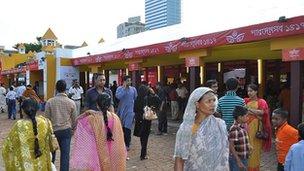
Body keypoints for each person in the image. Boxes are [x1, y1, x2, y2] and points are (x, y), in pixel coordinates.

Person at [174, 87, 229, 171]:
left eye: (214, 100)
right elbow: (179, 158)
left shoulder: (220, 124)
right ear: (197, 104)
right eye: (208, 101)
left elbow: (224, 155)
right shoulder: (188, 128)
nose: (213, 104)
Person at [70, 93, 126, 170]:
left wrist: (86, 113)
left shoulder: (91, 119)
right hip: (112, 153)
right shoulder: (115, 118)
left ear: (97, 105)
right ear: (109, 105)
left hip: (97, 154)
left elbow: (76, 122)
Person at [2, 98, 54, 170]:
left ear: (23, 110)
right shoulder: (45, 122)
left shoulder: (19, 125)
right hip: (42, 164)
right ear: (37, 109)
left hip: (25, 165)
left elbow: (8, 147)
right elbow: (50, 145)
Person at [45, 80, 77, 171]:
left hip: (52, 132)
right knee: (65, 156)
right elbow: (74, 120)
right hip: (66, 131)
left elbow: (46, 119)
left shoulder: (50, 102)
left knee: (52, 155)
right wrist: (73, 129)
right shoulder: (71, 102)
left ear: (56, 88)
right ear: (65, 89)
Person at [244, 84, 272, 171]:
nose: (249, 93)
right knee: (246, 146)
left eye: (251, 91)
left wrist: (249, 110)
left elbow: (263, 113)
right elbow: (244, 111)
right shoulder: (245, 100)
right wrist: (256, 113)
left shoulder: (262, 101)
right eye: (248, 91)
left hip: (256, 128)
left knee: (255, 148)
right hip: (246, 127)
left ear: (256, 91)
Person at [134, 86, 160, 160]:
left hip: (139, 120)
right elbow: (158, 101)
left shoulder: (137, 99)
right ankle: (143, 154)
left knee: (142, 137)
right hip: (146, 120)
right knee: (145, 137)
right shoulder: (148, 98)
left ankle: (143, 152)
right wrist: (154, 93)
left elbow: (134, 109)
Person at [116, 75, 137, 150]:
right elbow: (118, 97)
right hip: (121, 111)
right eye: (127, 80)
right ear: (124, 81)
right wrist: (124, 89)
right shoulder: (119, 89)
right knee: (121, 128)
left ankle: (127, 144)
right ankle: (122, 142)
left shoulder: (133, 89)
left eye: (130, 80)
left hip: (130, 112)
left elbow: (135, 99)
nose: (129, 82)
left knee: (127, 128)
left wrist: (135, 111)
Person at [229, 105, 250, 171]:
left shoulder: (242, 126)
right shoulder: (235, 128)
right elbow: (231, 146)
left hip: (243, 158)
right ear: (240, 117)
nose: (248, 118)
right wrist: (238, 161)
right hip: (237, 159)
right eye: (246, 116)